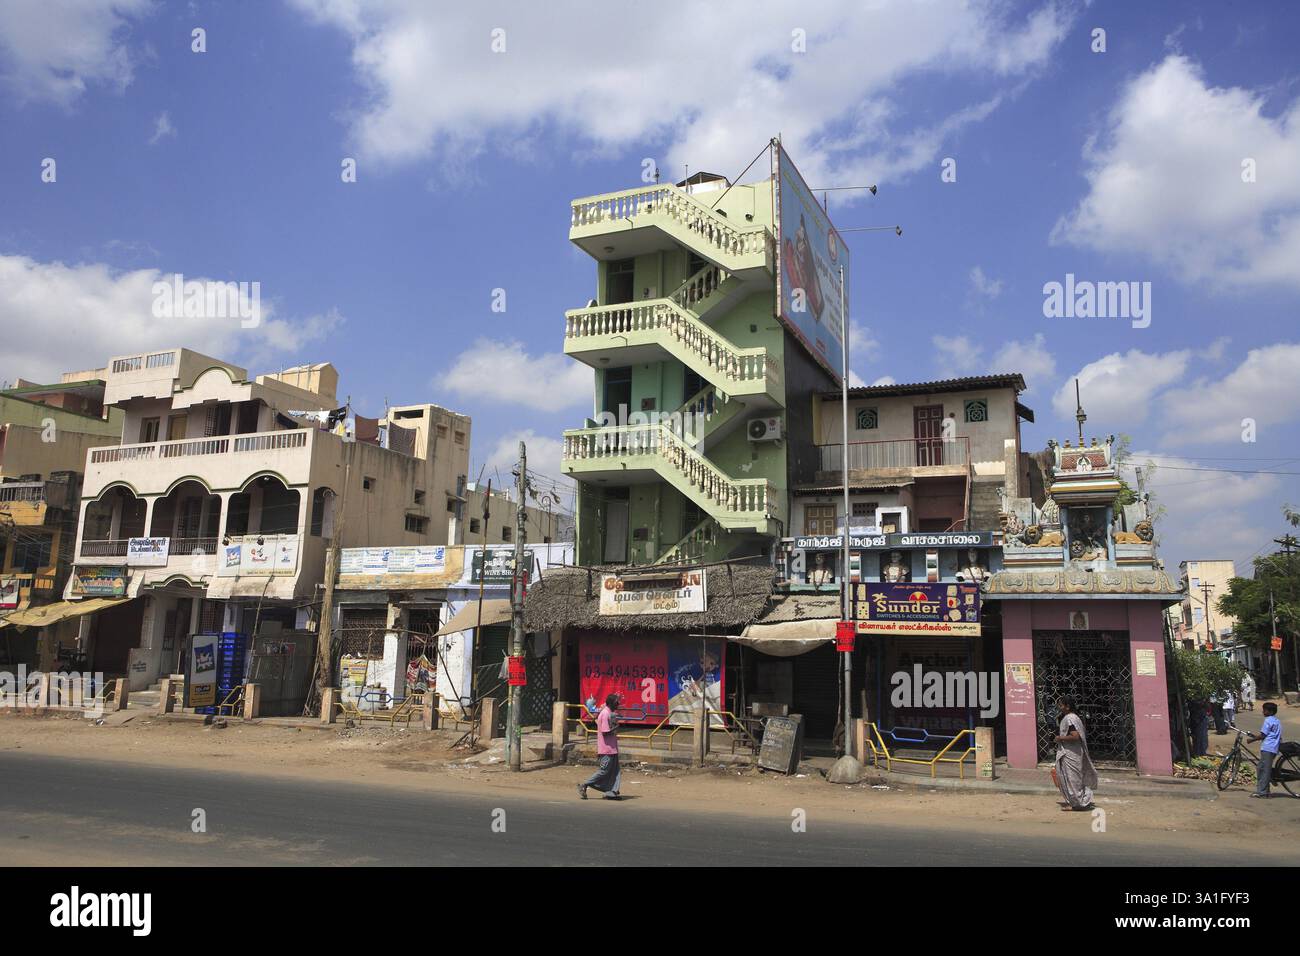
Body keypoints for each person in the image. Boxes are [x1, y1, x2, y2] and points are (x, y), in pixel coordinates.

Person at [1052, 698, 1098, 811]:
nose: (1059, 707)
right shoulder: (1075, 717)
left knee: (1072, 779)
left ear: (1067, 706)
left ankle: (1076, 803)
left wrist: (1060, 738)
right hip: (1074, 752)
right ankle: (1078, 800)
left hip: (1071, 753)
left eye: (1061, 705)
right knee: (1074, 778)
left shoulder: (1070, 718)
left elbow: (1075, 736)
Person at [579, 693, 622, 801]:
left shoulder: (609, 713)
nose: (618, 703)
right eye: (617, 701)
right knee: (604, 771)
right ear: (612, 703)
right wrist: (616, 727)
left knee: (615, 771)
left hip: (612, 748)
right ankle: (585, 784)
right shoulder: (605, 714)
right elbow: (605, 732)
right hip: (607, 749)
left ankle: (611, 792)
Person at [1247, 702, 1282, 799]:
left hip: (1267, 748)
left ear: (1270, 711)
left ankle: (1262, 792)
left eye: (1265, 710)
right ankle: (1265, 790)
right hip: (1274, 748)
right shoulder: (1277, 721)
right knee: (1261, 768)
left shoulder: (1268, 720)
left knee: (1263, 770)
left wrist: (1251, 740)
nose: (1263, 712)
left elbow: (1263, 735)